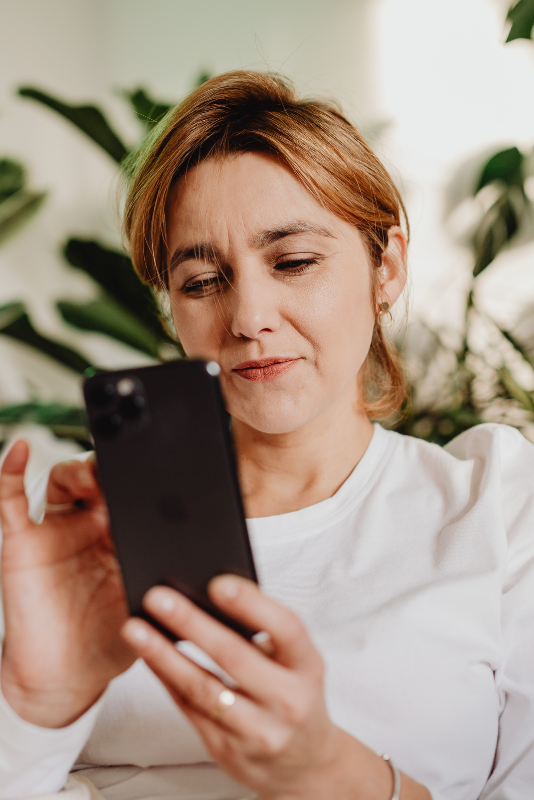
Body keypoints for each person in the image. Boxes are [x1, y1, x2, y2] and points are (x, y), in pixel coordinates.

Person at [0, 71, 533, 800]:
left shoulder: (494, 505)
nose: (249, 316)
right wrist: (31, 707)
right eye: (201, 280)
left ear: (389, 267)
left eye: (293, 262)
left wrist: (324, 772)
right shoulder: (68, 523)